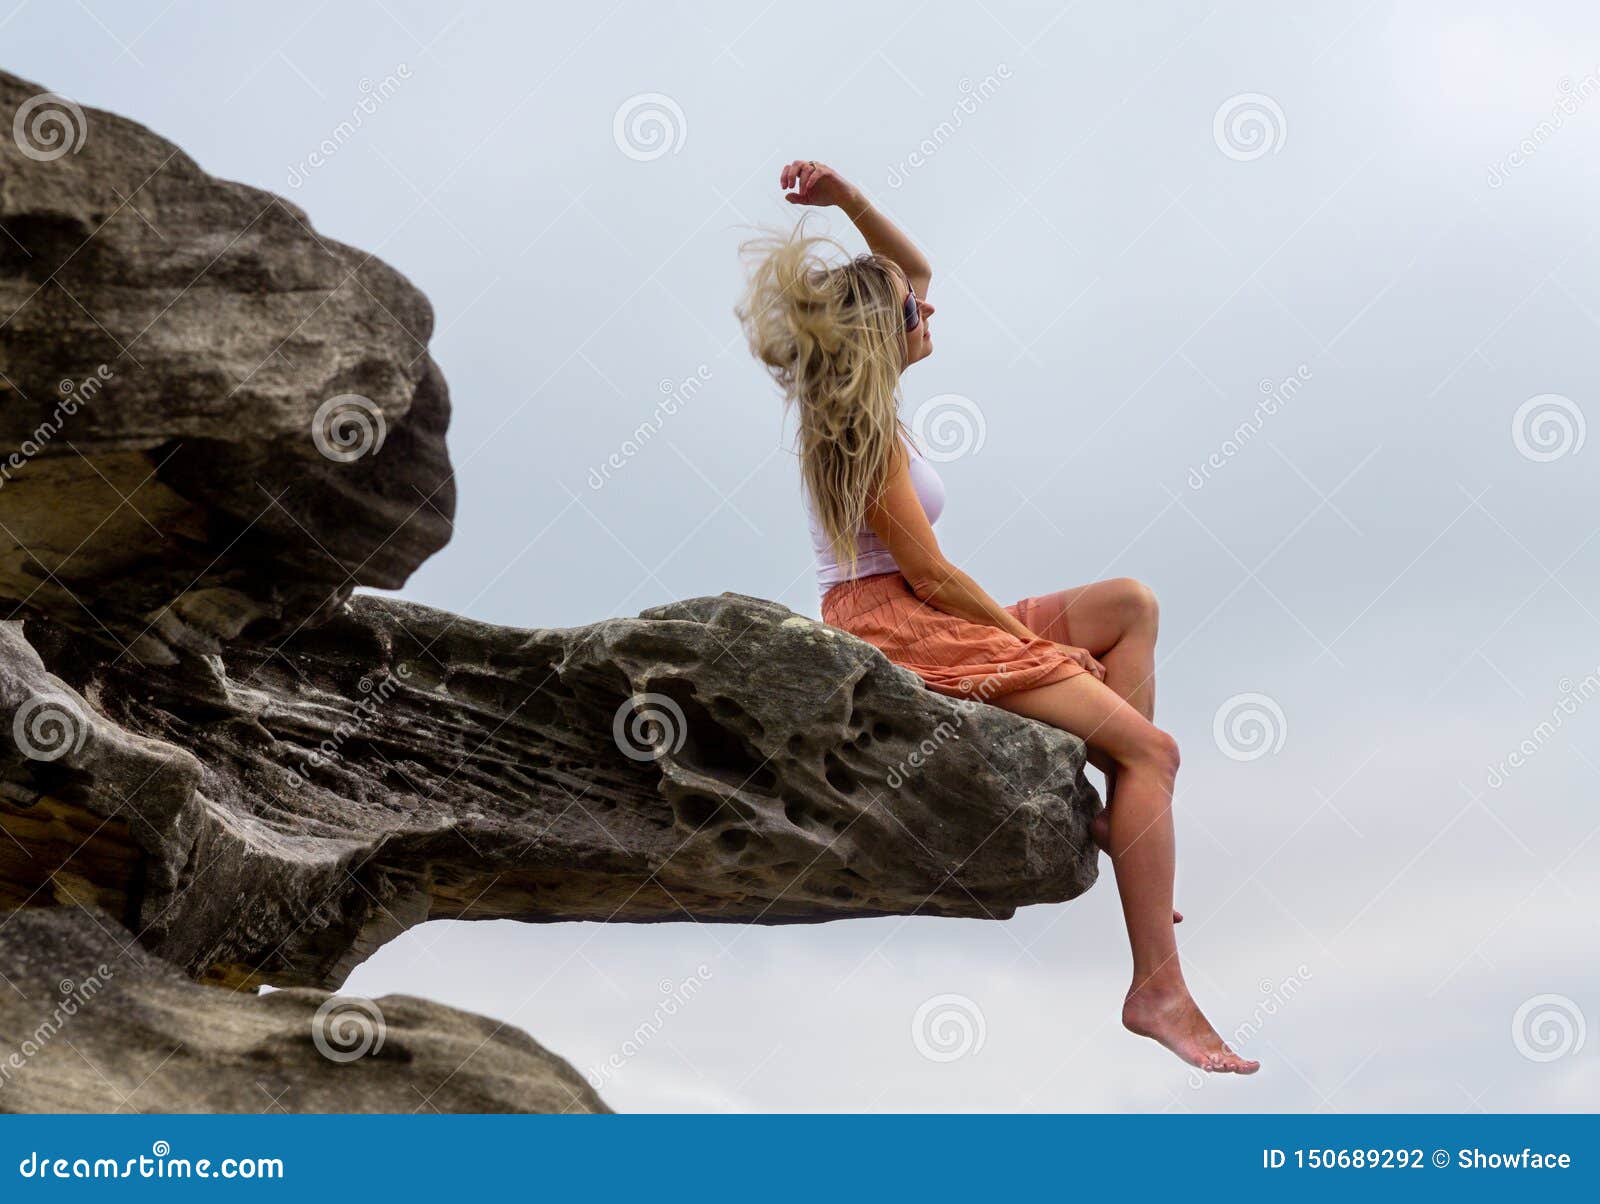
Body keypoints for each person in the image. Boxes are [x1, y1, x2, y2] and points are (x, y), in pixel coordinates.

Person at [735, 158, 1259, 1075]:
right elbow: (931, 579)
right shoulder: (851, 430)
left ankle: (1122, 815)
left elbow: (918, 271)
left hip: (919, 608)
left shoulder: (873, 394)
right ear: (881, 333)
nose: (929, 310)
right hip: (894, 624)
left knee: (1129, 605)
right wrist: (1023, 645)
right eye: (912, 309)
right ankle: (1158, 989)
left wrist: (850, 201)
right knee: (1155, 750)